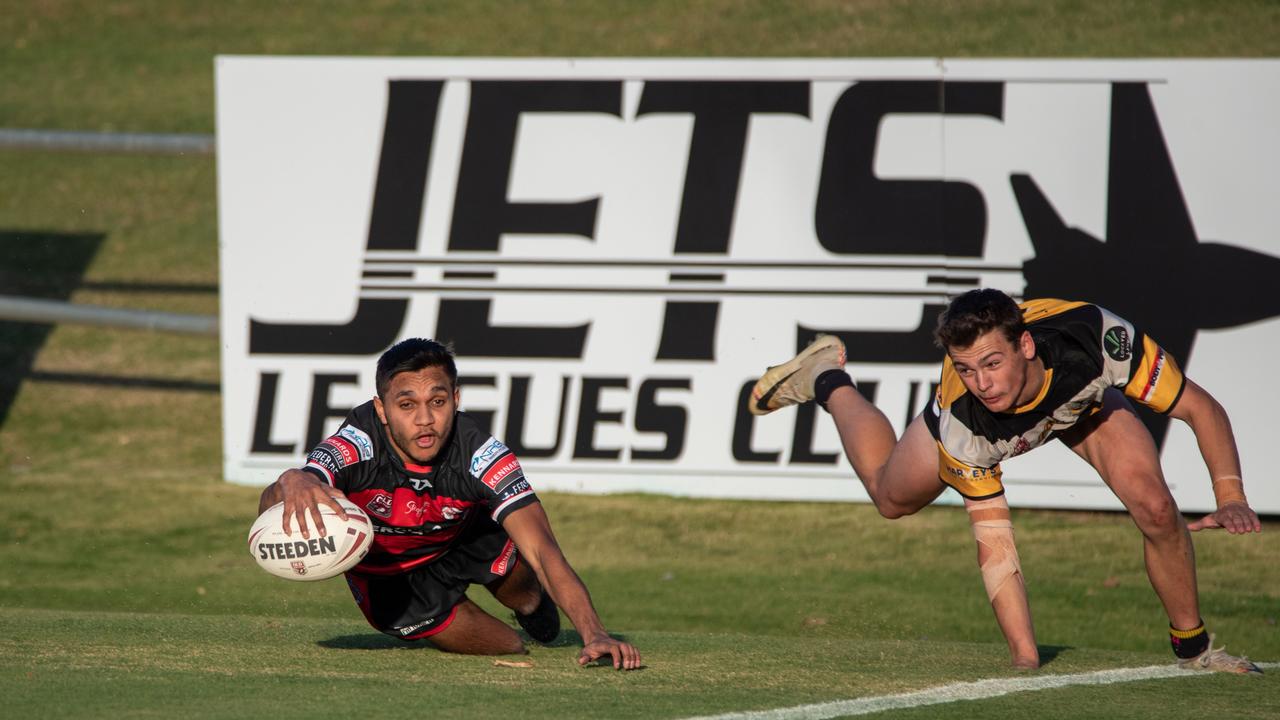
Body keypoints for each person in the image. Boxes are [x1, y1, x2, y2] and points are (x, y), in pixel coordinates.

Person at [749, 289, 1262, 674]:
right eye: (966, 369)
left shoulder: (1098, 339)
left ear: (1025, 344)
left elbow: (1201, 407)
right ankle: (826, 378)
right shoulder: (965, 421)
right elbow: (997, 548)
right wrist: (1025, 663)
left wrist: (1231, 496)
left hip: (1082, 405)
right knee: (889, 499)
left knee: (1155, 507)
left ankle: (1193, 650)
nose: (983, 382)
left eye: (992, 363)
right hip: (974, 435)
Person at [259, 338, 641, 670]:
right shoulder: (356, 444)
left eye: (437, 401)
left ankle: (530, 601)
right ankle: (458, 607)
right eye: (406, 405)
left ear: (455, 399)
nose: (425, 419)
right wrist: (290, 479)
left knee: (525, 594)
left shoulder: (482, 455)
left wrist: (595, 634)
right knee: (508, 645)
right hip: (388, 576)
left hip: (463, 536)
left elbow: (543, 549)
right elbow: (286, 496)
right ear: (381, 410)